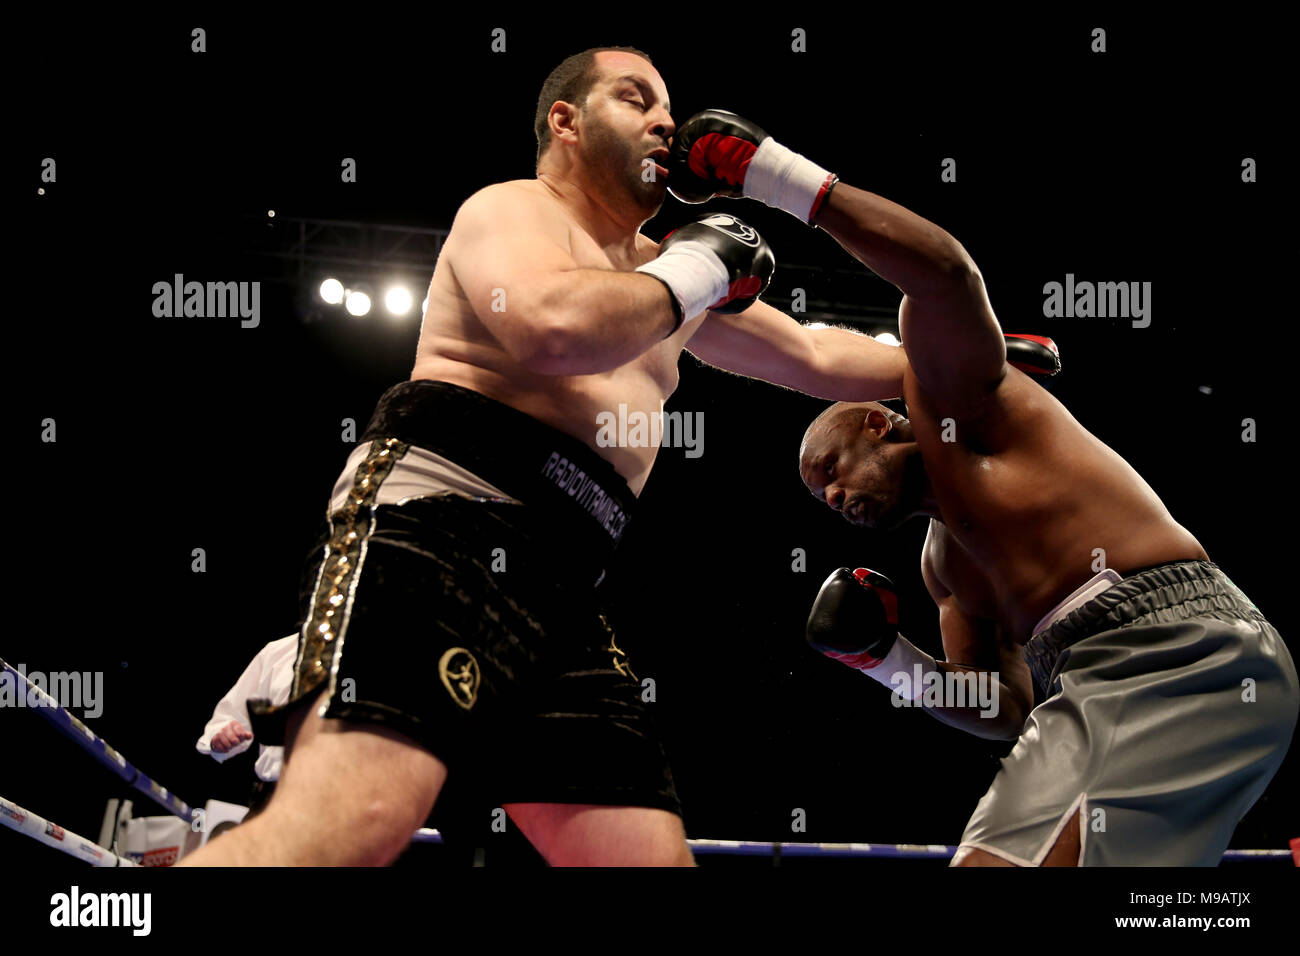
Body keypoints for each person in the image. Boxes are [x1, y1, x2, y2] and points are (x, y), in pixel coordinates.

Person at [179, 46, 919, 867]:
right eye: (636, 99)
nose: (665, 123)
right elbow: (552, 326)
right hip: (436, 528)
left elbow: (817, 356)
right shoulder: (516, 210)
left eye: (670, 110)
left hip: (564, 590)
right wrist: (702, 263)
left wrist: (976, 366)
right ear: (565, 121)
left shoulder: (667, 279)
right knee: (354, 823)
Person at [731, 111, 1300, 863]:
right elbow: (1001, 709)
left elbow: (943, 275)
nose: (833, 499)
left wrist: (772, 176)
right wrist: (886, 661)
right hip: (1083, 688)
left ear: (876, 422)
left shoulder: (963, 404)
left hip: (1185, 652)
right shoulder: (946, 568)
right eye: (820, 498)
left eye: (829, 471)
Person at [195, 634, 297, 819]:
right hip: (272, 799)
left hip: (345, 796)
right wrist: (224, 735)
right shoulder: (278, 651)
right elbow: (228, 718)